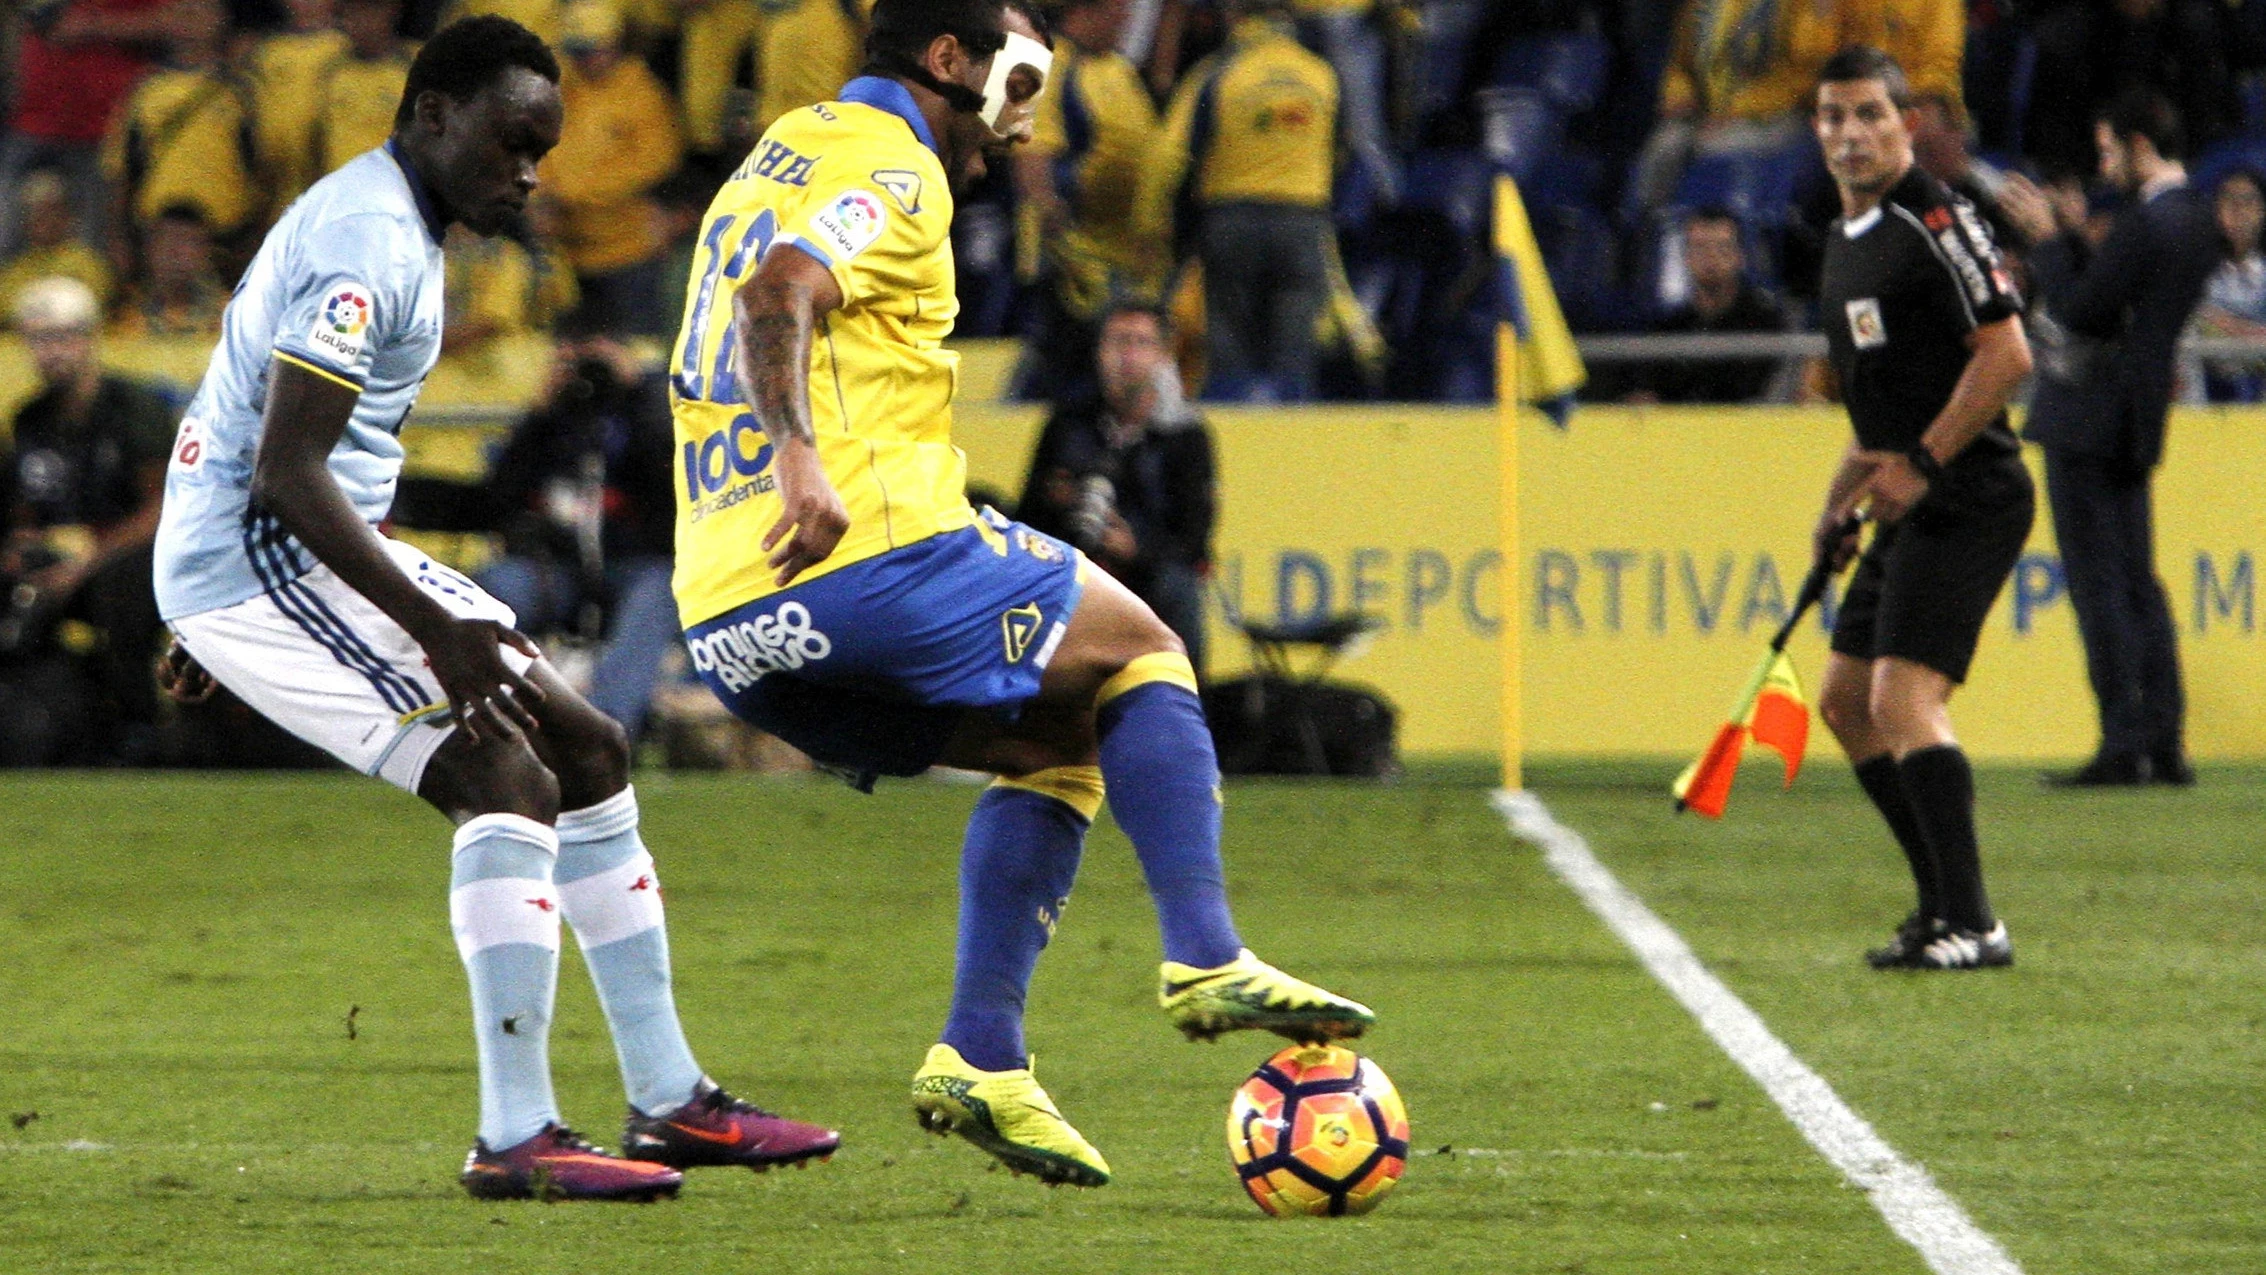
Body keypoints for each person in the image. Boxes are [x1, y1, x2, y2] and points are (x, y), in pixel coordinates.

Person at [670, 0, 1374, 1188]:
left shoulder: (781, 150)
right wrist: (800, 451)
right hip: (865, 556)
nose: (1028, 107)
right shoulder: (893, 166)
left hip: (733, 616)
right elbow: (775, 294)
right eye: (1019, 72)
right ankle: (1206, 955)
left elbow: (760, 282)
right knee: (1143, 651)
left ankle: (981, 1053)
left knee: (1061, 745)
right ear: (948, 62)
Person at [150, 16, 839, 1203]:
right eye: (511, 142)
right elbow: (287, 471)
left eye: (542, 150)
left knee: (587, 745)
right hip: (267, 563)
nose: (529, 173)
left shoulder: (390, 221)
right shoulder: (369, 240)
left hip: (287, 557)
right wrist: (408, 623)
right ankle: (515, 1134)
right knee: (500, 772)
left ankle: (670, 1100)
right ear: (429, 115)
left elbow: (258, 404)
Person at [1807, 47, 2034, 972]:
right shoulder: (1846, 238)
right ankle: (1941, 903)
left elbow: (2008, 355)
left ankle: (1976, 922)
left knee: (1901, 697)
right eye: (1832, 117)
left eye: (1869, 114)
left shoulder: (1937, 219)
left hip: (1971, 493)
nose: (1850, 134)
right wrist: (1841, 502)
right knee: (1845, 704)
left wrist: (1927, 463)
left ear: (1908, 122)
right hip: (1909, 496)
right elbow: (1880, 417)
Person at [1997, 89, 2217, 788]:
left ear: (2137, 145)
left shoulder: (2149, 223)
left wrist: (2048, 240)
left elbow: (2082, 308)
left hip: (2089, 413)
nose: (2102, 166)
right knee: (2139, 583)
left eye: (2106, 151)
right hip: (2136, 413)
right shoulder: (2197, 219)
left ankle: (2122, 742)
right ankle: (2163, 739)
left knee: (2101, 587)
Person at [1, 277, 175, 763]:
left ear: (89, 338)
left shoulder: (134, 410)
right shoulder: (30, 418)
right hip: (61, 558)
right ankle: (36, 732)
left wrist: (82, 566)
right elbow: (27, 510)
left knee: (121, 589)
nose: (49, 351)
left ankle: (139, 731)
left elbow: (163, 509)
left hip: (132, 560)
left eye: (61, 336)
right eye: (37, 338)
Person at [476, 331, 680, 744]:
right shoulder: (554, 422)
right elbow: (498, 497)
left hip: (635, 564)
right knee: (494, 588)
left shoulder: (640, 415)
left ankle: (605, 730)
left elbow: (667, 478)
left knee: (660, 592)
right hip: (555, 569)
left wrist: (636, 390)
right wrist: (541, 411)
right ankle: (495, 724)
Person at [1144, 0, 1338, 403]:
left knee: (1230, 347)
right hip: (1303, 219)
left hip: (1231, 220)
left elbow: (1165, 157)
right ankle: (1296, 442)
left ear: (1236, 17)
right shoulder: (1321, 74)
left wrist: (1149, 224)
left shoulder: (1216, 73)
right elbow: (1345, 151)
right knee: (1295, 347)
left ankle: (1232, 443)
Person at [1016, 302, 1214, 675]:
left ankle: (1182, 699)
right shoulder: (1067, 423)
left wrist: (1135, 548)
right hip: (1072, 566)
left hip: (1149, 574)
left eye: (1141, 343)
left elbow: (1194, 540)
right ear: (1099, 351)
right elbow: (1026, 516)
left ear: (1162, 356)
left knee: (1180, 588)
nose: (1128, 356)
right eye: (1118, 342)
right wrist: (1057, 502)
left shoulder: (1185, 436)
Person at [1010, 0, 1164, 402]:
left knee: (1096, 372)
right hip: (1074, 258)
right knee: (1059, 367)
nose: (1130, 19)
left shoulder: (1118, 69)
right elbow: (1032, 154)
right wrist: (1056, 234)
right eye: (1121, 9)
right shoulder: (1051, 64)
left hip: (1119, 255)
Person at [540, 0, 685, 336]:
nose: (584, 61)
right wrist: (541, 194)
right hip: (566, 255)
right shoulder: (564, 87)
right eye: (576, 51)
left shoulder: (642, 94)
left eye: (592, 51)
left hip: (627, 253)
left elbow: (652, 164)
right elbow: (539, 145)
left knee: (636, 351)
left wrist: (569, 193)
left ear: (614, 44)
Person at [1623, 209, 1787, 405]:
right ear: (1686, 257)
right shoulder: (1669, 328)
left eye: (1722, 247)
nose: (1711, 257)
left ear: (1739, 256)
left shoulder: (1767, 323)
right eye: (1700, 247)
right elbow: (1649, 392)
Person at [2180, 169, 2266, 403]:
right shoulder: (2195, 267)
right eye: (2229, 199)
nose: (2238, 210)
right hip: (2209, 371)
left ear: (2262, 210)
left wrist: (2229, 327)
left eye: (2248, 200)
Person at [0, 170, 116, 321]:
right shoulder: (15, 269)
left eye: (52, 211)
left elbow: (95, 305)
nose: (46, 221)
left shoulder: (89, 264)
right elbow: (6, 310)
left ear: (67, 217)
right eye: (37, 213)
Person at [109, 204, 230, 339]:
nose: (175, 253)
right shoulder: (120, 311)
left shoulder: (229, 315)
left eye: (188, 242)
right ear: (148, 249)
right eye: (166, 240)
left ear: (206, 252)